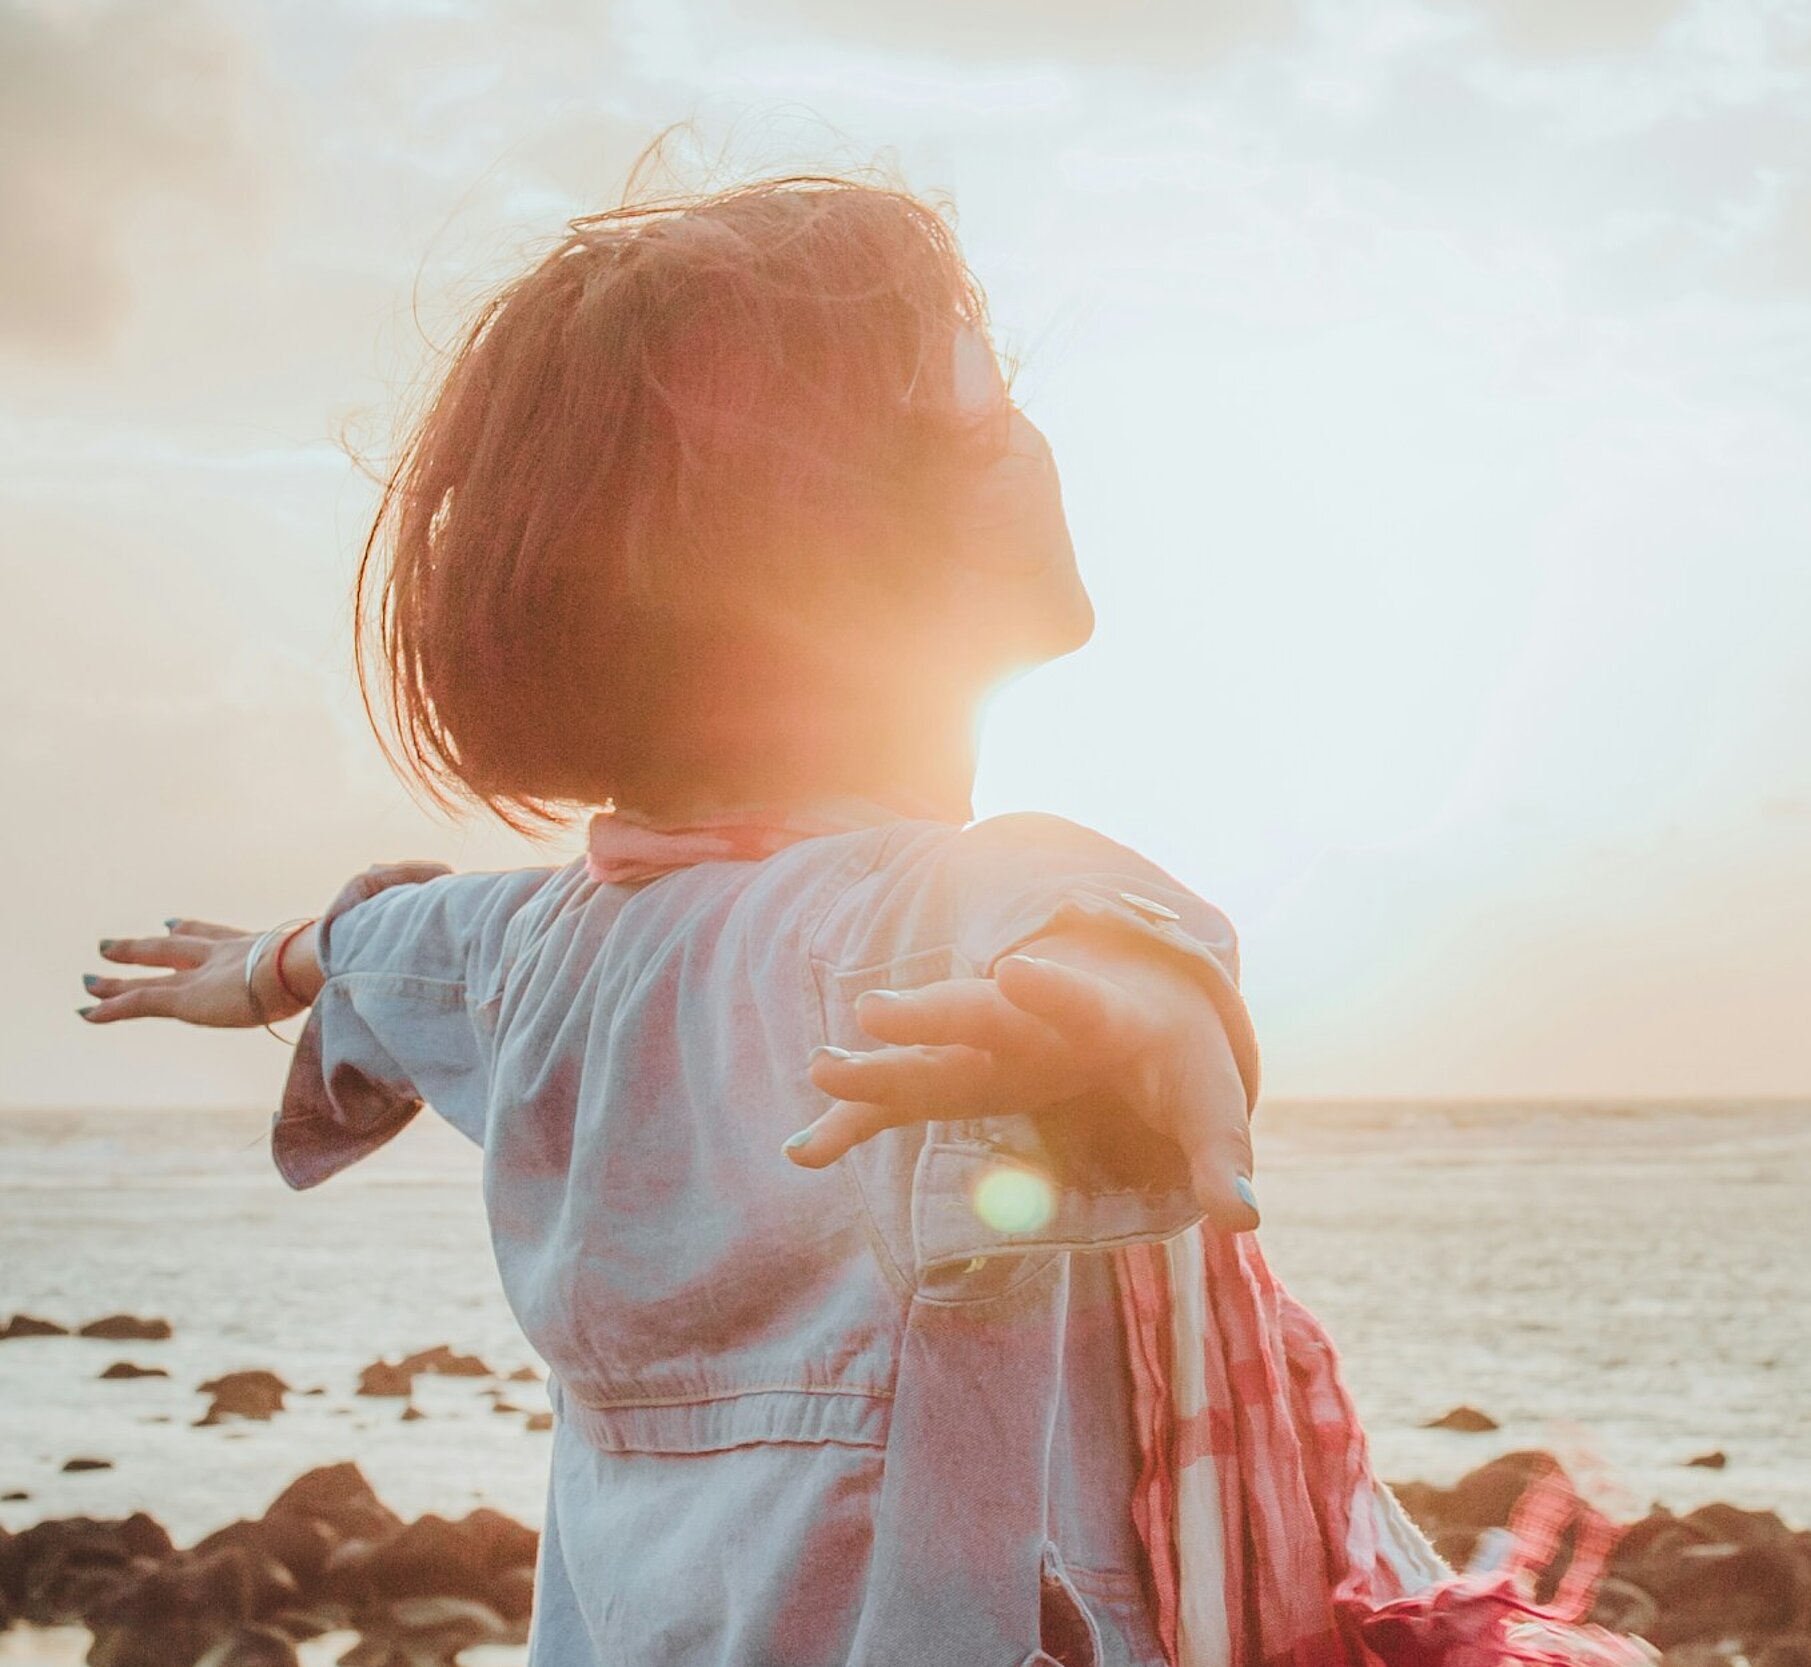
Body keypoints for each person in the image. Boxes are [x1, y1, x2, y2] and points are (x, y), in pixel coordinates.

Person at [80, 173, 1635, 1667]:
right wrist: (1119, 1023)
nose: (1029, 437)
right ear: (821, 545)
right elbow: (1098, 937)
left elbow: (386, 950)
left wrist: (271, 967)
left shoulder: (537, 951)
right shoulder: (933, 909)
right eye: (973, 413)